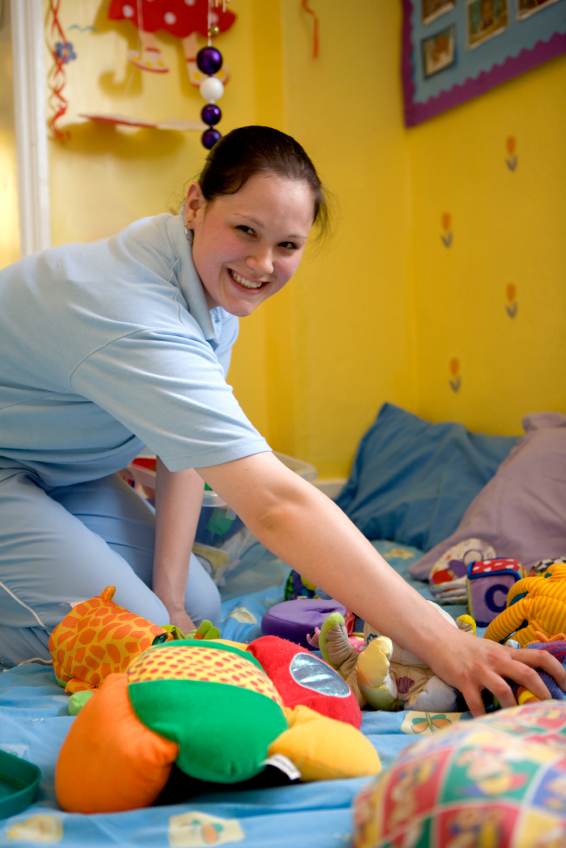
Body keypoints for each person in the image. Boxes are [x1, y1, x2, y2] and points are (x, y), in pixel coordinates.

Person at [0, 126, 563, 716]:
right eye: (245, 230)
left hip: (61, 473)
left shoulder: (207, 294)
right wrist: (446, 641)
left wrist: (171, 592)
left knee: (196, 602)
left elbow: (186, 447)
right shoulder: (132, 309)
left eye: (287, 245)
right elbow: (274, 505)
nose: (261, 264)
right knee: (137, 639)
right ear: (195, 205)